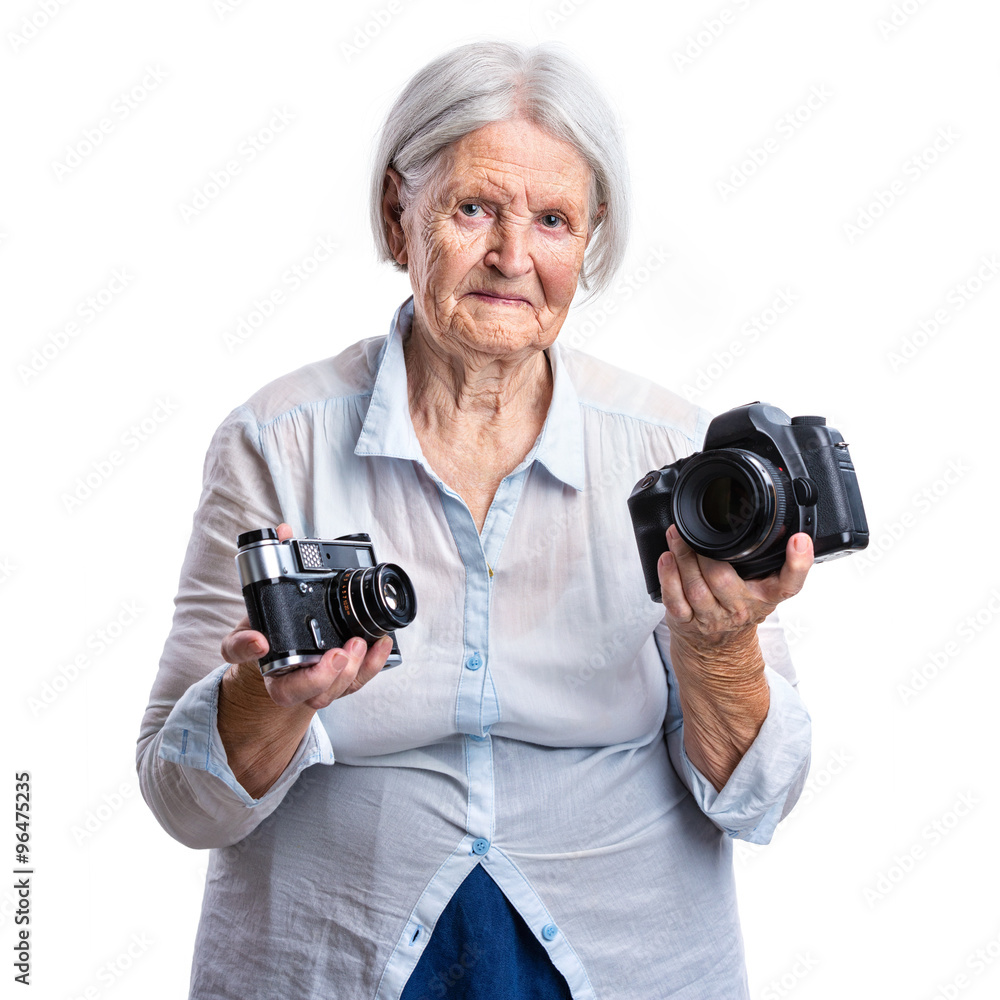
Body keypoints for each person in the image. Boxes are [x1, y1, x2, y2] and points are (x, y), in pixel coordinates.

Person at [137, 40, 813, 999]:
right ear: (395, 211)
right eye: (473, 209)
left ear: (590, 239)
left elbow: (761, 800)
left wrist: (720, 652)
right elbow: (182, 799)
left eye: (552, 219)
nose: (512, 256)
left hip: (622, 967)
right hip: (330, 967)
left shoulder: (674, 456)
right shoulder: (276, 444)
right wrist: (269, 702)